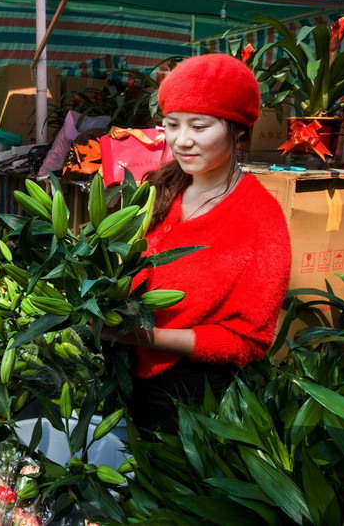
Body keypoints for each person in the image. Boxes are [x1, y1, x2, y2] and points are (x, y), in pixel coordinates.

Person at [111, 54, 291, 436]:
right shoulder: (156, 190)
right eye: (172, 125)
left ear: (238, 131)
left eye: (200, 126)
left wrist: (138, 335)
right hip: (119, 372)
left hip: (191, 396)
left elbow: (248, 340)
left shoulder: (261, 217)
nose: (182, 140)